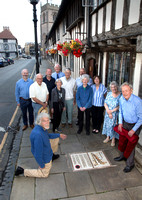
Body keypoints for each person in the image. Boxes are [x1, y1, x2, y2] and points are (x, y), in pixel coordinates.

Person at [15, 112, 67, 177]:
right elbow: (37, 154)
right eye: (44, 121)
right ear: (39, 121)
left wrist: (59, 135)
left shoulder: (42, 128)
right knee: (44, 174)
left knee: (55, 138)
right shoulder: (38, 135)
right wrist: (42, 165)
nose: (47, 122)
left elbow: (47, 135)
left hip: (47, 151)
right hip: (45, 157)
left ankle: (52, 156)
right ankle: (22, 171)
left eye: (48, 120)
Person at [114, 82, 142, 173]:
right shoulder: (121, 99)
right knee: (123, 140)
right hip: (125, 123)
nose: (124, 93)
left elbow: (141, 118)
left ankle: (130, 164)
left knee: (131, 145)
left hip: (135, 125)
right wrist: (121, 123)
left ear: (131, 91)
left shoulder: (137, 101)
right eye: (123, 91)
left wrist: (134, 130)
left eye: (126, 91)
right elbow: (121, 111)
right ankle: (122, 156)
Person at [102, 81, 121, 146]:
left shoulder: (120, 95)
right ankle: (108, 137)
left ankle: (113, 139)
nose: (113, 88)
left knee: (114, 126)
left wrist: (112, 111)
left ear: (117, 87)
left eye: (115, 87)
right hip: (108, 113)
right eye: (112, 87)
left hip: (115, 114)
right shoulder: (109, 93)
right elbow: (105, 103)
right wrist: (108, 111)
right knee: (108, 125)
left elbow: (120, 106)